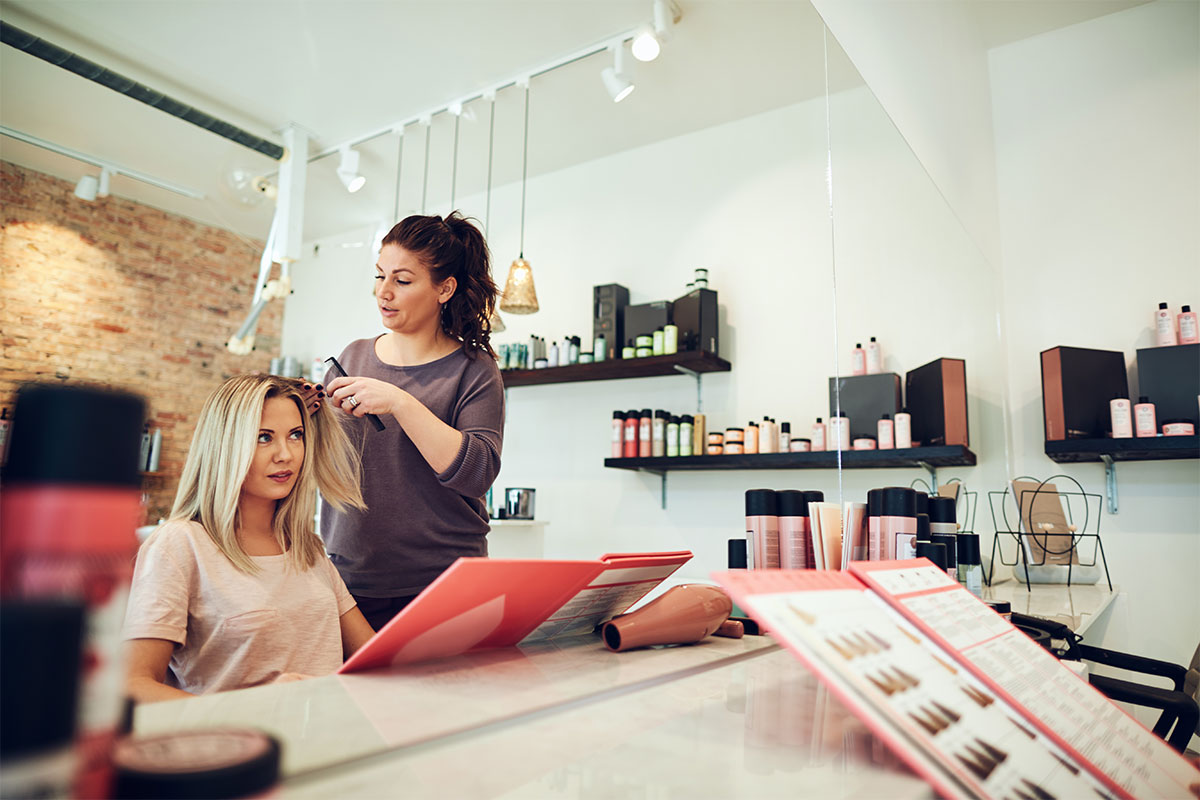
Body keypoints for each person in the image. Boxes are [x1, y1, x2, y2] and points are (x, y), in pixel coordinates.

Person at [123, 374, 375, 702]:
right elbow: (134, 685)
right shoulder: (180, 545)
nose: (285, 454)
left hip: (326, 741)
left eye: (295, 435)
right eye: (263, 438)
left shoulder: (306, 548)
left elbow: (373, 655)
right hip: (238, 747)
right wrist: (254, 710)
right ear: (226, 445)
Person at [310, 211, 505, 631]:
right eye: (379, 276)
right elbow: (321, 462)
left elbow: (478, 474)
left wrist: (401, 402)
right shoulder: (352, 358)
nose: (384, 292)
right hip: (350, 583)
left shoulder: (473, 368)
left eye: (402, 280)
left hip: (446, 584)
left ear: (444, 288)